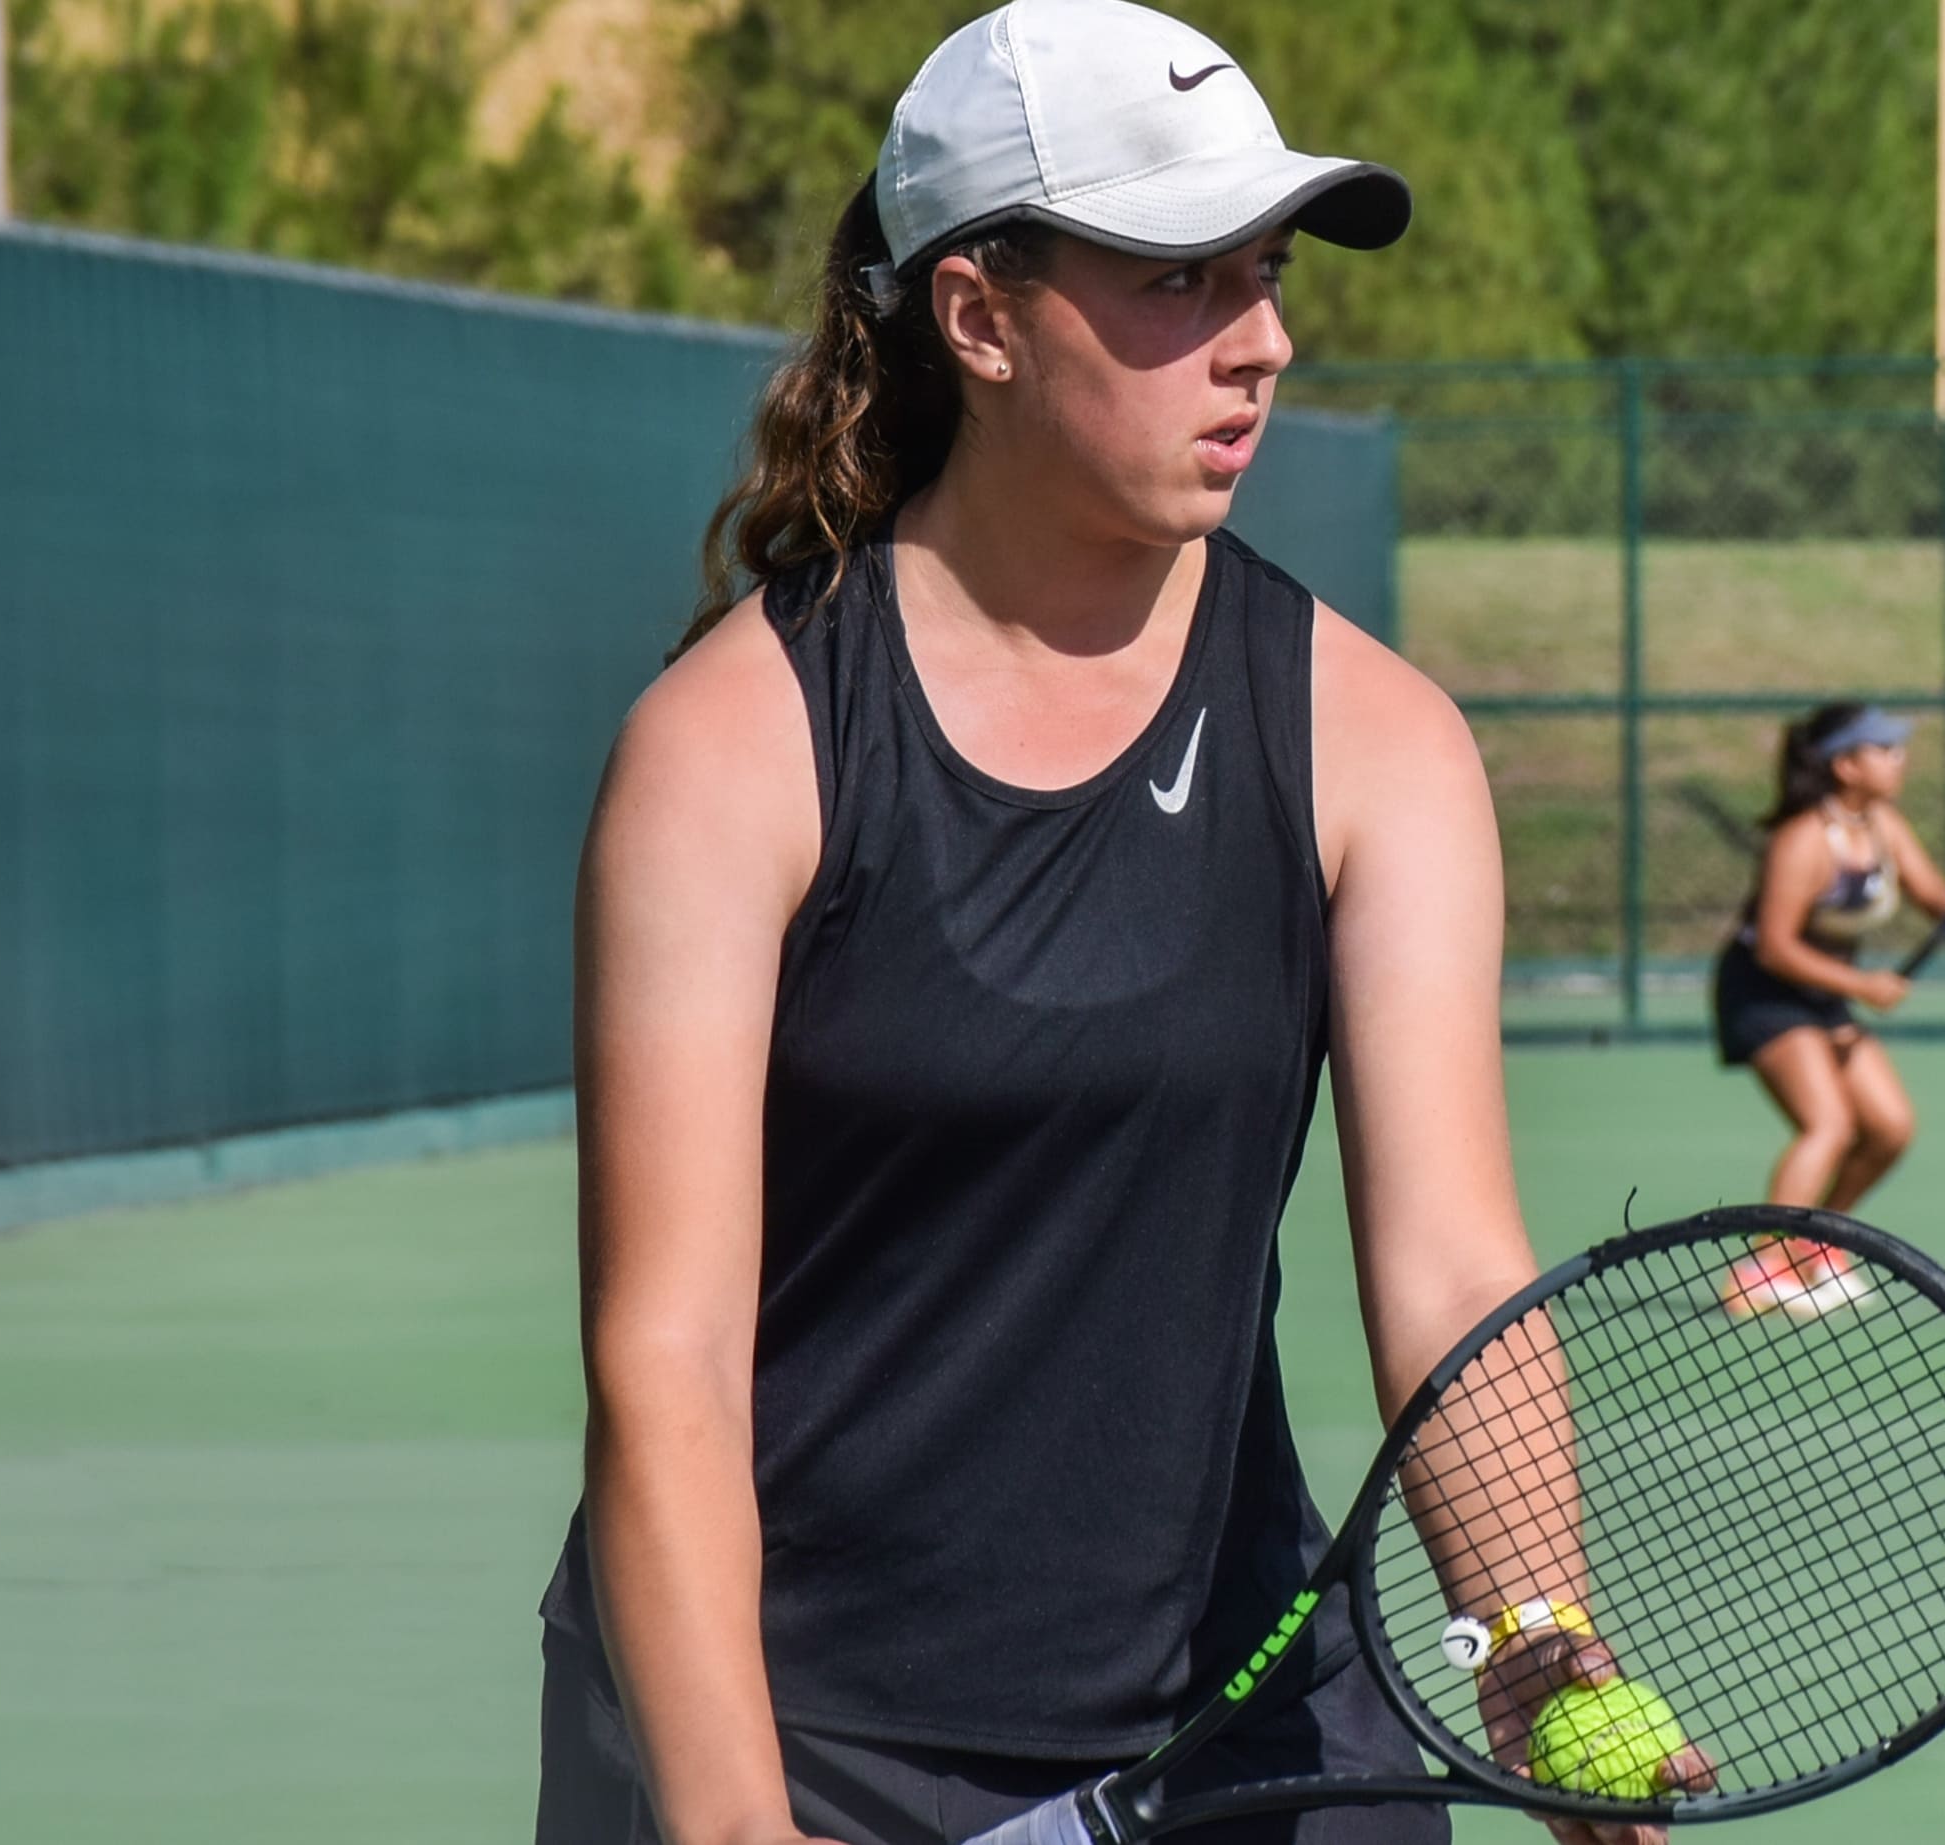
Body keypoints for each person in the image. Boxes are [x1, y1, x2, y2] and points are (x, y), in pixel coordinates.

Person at [537, 4, 1697, 1842]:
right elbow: (663, 1351)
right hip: (793, 1732)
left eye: (1266, 274)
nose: (1262, 342)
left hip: (1242, 1721)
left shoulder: (1376, 741)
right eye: (1177, 280)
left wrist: (1539, 1643)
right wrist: (736, 1817)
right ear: (979, 319)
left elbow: (1452, 1272)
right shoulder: (730, 754)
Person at [1709, 705, 1945, 1319]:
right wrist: (1863, 985)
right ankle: (1764, 1269)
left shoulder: (1883, 825)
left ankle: (1815, 1243)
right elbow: (1775, 947)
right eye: (1884, 750)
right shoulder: (1801, 840)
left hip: (1823, 996)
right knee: (1828, 1126)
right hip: (1763, 992)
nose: (1899, 760)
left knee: (1890, 1127)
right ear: (1845, 766)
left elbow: (1934, 896)